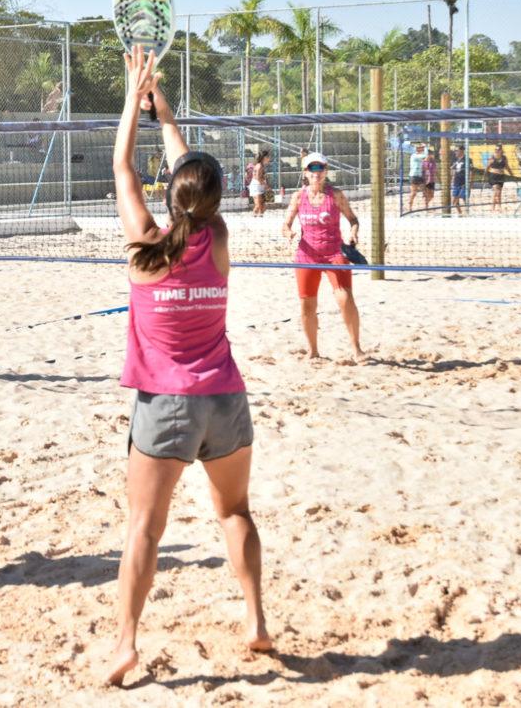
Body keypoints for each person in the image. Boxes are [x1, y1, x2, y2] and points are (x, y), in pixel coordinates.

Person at [104, 45, 270, 686]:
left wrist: (133, 98)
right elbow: (191, 181)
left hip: (165, 404)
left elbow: (123, 167)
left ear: (169, 199)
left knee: (144, 528)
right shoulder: (219, 238)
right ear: (216, 201)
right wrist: (165, 112)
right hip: (225, 401)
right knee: (235, 513)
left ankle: (126, 644)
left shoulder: (145, 248)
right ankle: (255, 619)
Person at [282, 152, 366, 360]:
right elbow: (285, 224)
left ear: (326, 171)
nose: (316, 173)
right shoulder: (299, 196)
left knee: (345, 299)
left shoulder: (335, 195)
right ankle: (313, 350)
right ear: (305, 173)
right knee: (307, 304)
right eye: (312, 169)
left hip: (334, 252)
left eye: (320, 168)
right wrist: (288, 232)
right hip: (306, 255)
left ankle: (356, 348)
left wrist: (353, 233)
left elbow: (353, 219)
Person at [487, 143, 508, 213]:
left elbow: (507, 167)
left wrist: (512, 175)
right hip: (493, 176)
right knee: (496, 192)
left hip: (501, 176)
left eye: (498, 149)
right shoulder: (492, 157)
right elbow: (487, 167)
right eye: (495, 149)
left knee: (499, 193)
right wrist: (484, 176)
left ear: (501, 150)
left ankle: (496, 207)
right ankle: (495, 207)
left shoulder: (504, 158)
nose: (496, 150)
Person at [249, 150, 271, 215]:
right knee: (259, 206)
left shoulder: (261, 165)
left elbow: (262, 178)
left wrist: (266, 184)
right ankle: (256, 217)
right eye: (268, 156)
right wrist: (266, 186)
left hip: (259, 185)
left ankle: (255, 216)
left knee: (262, 206)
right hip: (256, 186)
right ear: (264, 157)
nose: (269, 158)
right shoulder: (259, 166)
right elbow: (258, 178)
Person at [406, 142, 426, 212]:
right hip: (414, 176)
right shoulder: (414, 155)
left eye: (422, 148)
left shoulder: (420, 156)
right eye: (421, 148)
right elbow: (425, 155)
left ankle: (426, 206)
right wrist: (424, 146)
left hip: (420, 175)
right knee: (414, 193)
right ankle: (410, 207)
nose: (422, 148)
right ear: (417, 149)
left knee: (425, 191)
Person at [451, 146, 468, 216]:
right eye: (455, 151)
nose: (455, 152)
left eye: (457, 150)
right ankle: (460, 214)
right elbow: (453, 170)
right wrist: (452, 180)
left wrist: (470, 183)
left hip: (464, 183)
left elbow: (471, 172)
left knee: (464, 199)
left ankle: (467, 213)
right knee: (454, 202)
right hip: (456, 183)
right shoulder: (456, 161)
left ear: (462, 151)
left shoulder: (467, 160)